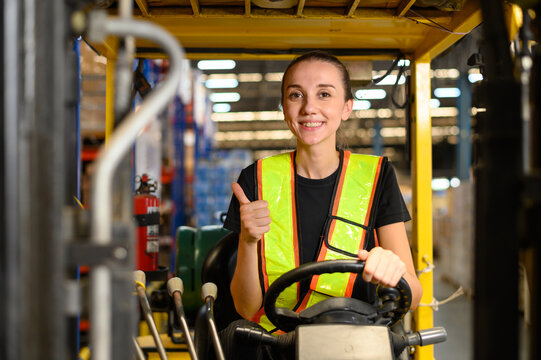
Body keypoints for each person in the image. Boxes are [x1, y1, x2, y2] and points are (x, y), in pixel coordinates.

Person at [221, 51, 422, 359]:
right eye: (295, 95)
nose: (309, 107)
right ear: (284, 107)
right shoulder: (255, 180)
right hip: (277, 349)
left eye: (324, 94)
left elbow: (414, 292)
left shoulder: (378, 176)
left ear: (346, 108)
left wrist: (392, 270)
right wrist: (248, 240)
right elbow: (246, 308)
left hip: (356, 348)